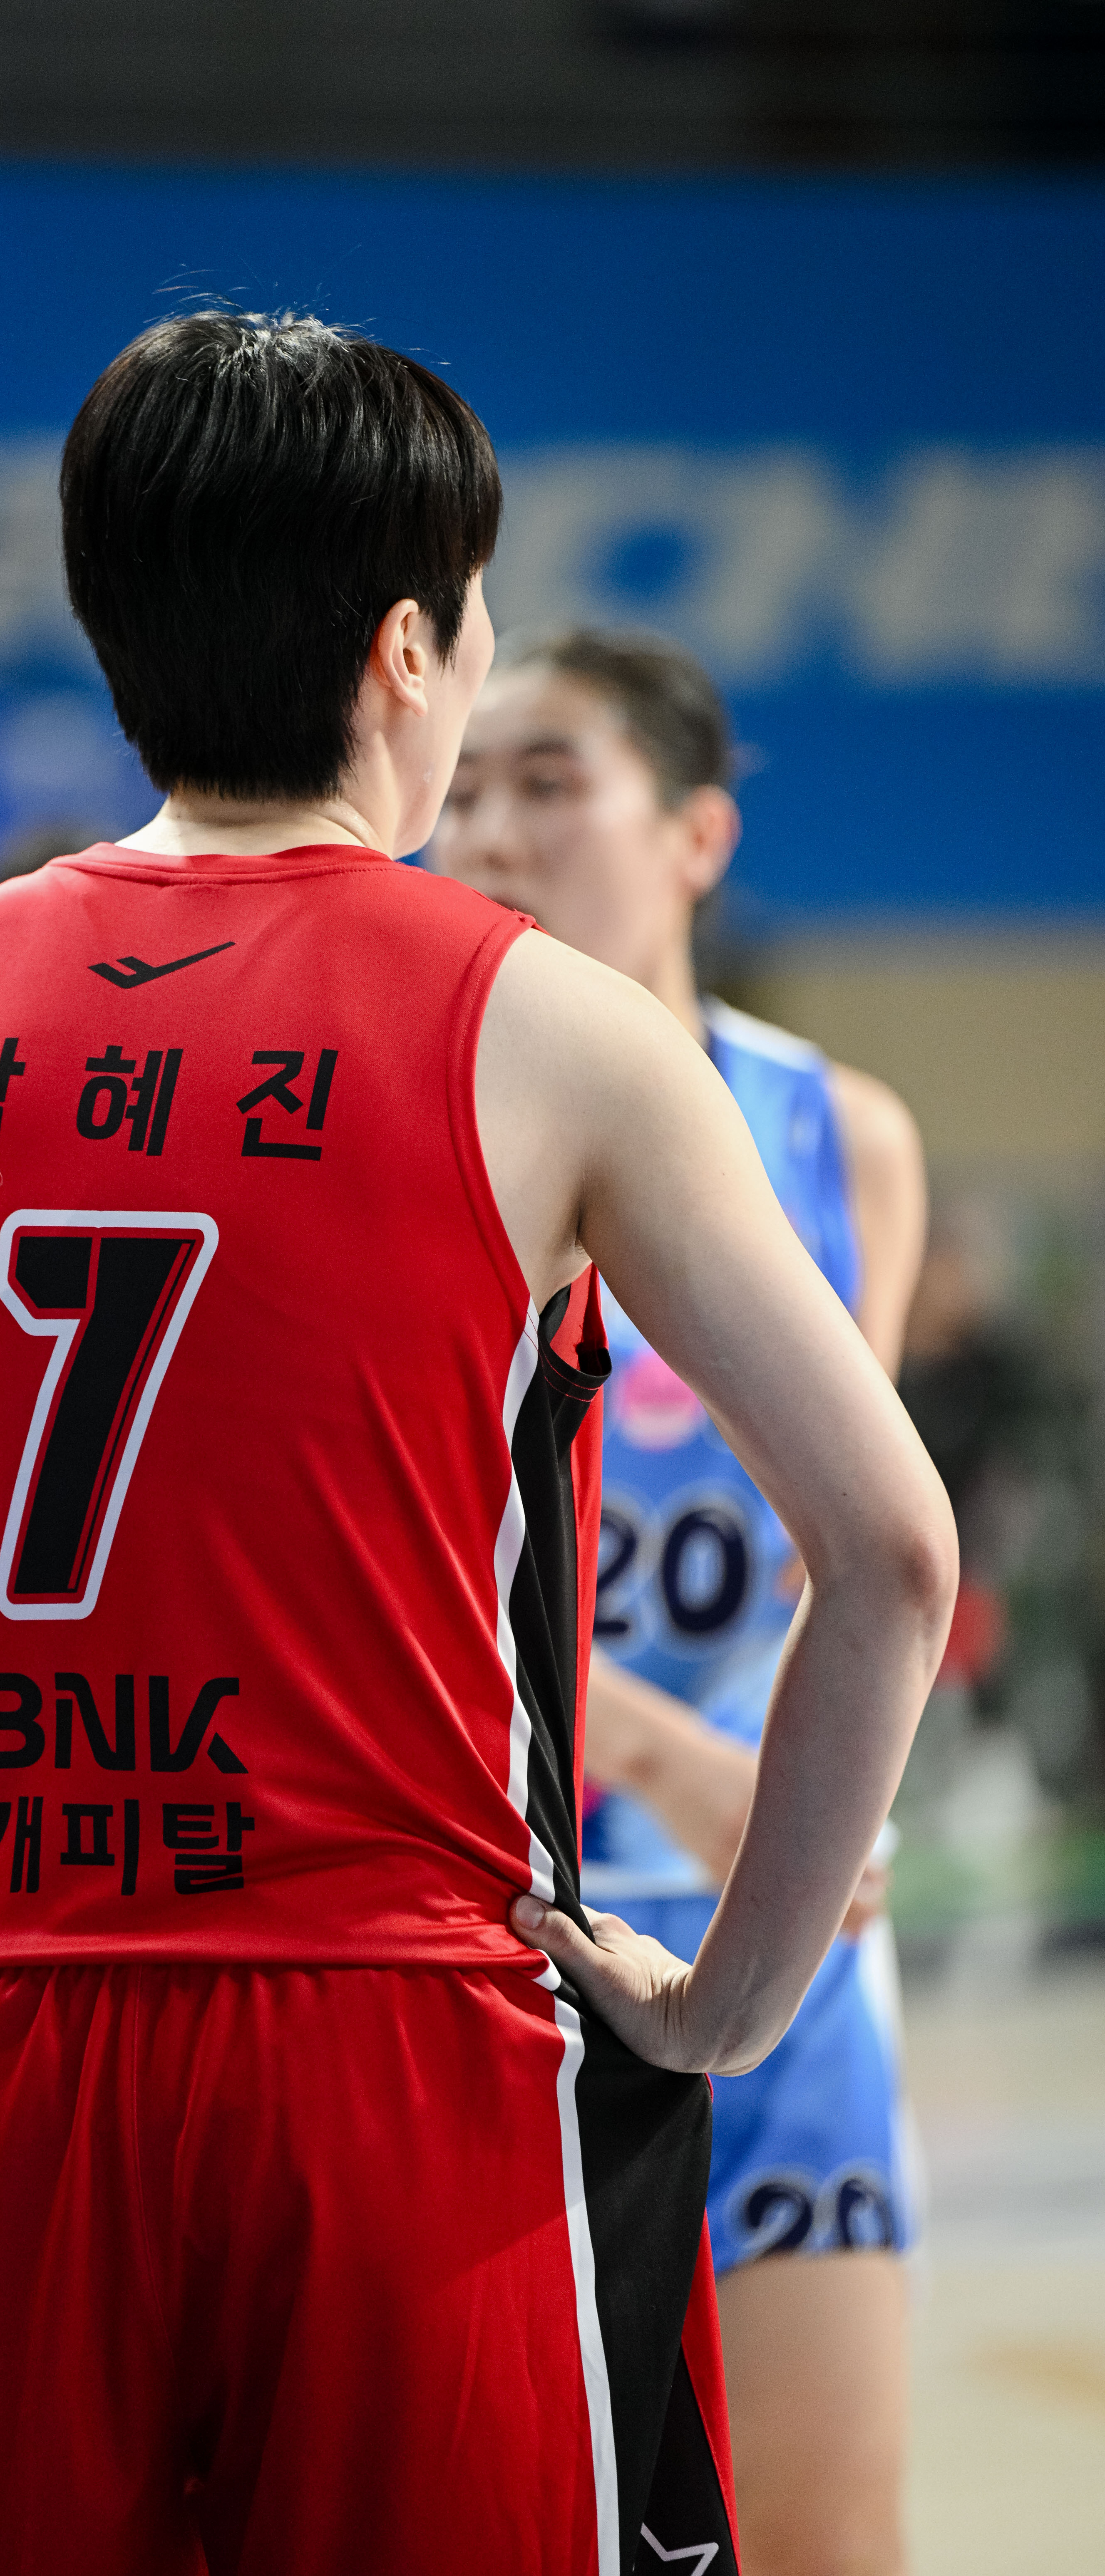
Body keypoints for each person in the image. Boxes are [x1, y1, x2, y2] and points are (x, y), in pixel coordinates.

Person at [0, 314, 955, 2576]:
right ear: (411, 649)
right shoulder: (557, 1033)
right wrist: (732, 1999)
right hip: (404, 2052)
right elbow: (895, 1557)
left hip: (8, 2035)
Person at [433, 625, 929, 2576]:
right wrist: (660, 1753)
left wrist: (788, 1793)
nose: (489, 829)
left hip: (768, 1922)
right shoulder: (424, 1108)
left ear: (697, 836)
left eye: (548, 782)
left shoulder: (834, 1132)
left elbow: (854, 1550)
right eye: (465, 786)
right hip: (495, 1927)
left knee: (827, 2534)